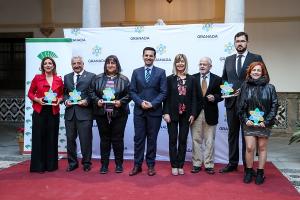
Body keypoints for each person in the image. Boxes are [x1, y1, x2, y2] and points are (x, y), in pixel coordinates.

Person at [220, 32, 264, 173]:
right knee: (232, 134)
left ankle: (248, 166)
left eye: (242, 41)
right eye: (237, 41)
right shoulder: (228, 59)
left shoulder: (256, 58)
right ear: (234, 43)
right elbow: (224, 79)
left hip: (250, 105)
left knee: (249, 136)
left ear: (247, 42)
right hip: (232, 104)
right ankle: (232, 163)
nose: (240, 43)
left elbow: (262, 79)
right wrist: (228, 92)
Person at [237, 62, 278, 185]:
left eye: (258, 70)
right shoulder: (245, 86)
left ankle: (260, 172)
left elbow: (274, 106)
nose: (256, 72)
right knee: (249, 148)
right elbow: (240, 105)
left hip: (264, 124)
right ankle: (249, 171)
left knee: (262, 148)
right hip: (248, 123)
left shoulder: (270, 88)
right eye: (253, 70)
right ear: (250, 72)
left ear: (263, 72)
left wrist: (266, 121)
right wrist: (245, 119)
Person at [129, 47, 167, 176]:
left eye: (151, 56)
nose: (148, 57)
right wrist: (140, 102)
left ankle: (151, 165)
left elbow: (163, 92)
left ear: (155, 57)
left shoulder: (161, 72)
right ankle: (137, 165)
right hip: (139, 112)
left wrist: (152, 104)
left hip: (154, 112)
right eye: (146, 55)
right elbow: (132, 91)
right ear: (143, 56)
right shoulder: (136, 72)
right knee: (138, 139)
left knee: (152, 140)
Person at [90, 55, 131, 174]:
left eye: (113, 63)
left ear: (117, 65)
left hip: (119, 113)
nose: (111, 65)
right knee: (104, 139)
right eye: (108, 63)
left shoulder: (124, 79)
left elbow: (130, 94)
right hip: (101, 113)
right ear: (105, 65)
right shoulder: (97, 78)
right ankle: (104, 165)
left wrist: (121, 102)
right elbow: (91, 91)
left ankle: (119, 164)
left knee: (118, 139)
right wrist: (97, 100)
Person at [28, 56, 63, 173]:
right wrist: (37, 100)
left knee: (52, 138)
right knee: (39, 138)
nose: (48, 65)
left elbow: (62, 95)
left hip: (53, 112)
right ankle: (39, 166)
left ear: (53, 66)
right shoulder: (37, 78)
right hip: (40, 112)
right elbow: (30, 93)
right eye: (45, 63)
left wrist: (59, 100)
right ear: (42, 66)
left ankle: (51, 166)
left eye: (50, 63)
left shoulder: (58, 79)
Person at [163, 54, 196, 176]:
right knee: (173, 140)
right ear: (175, 64)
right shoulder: (169, 79)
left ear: (185, 63)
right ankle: (174, 165)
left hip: (186, 115)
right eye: (178, 62)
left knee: (182, 140)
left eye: (182, 62)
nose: (180, 64)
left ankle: (180, 165)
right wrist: (165, 112)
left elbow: (194, 98)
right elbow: (165, 98)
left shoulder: (192, 79)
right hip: (171, 114)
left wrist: (193, 113)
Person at [191, 57, 223, 175]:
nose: (202, 66)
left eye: (205, 64)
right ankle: (197, 164)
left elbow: (221, 95)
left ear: (210, 66)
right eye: (200, 64)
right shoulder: (192, 78)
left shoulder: (217, 79)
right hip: (195, 114)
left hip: (211, 114)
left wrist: (215, 97)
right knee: (196, 139)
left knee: (210, 140)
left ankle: (209, 164)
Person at [64, 56, 95, 172]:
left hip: (85, 113)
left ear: (83, 64)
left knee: (85, 140)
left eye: (78, 63)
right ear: (71, 65)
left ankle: (86, 163)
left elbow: (93, 93)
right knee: (70, 139)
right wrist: (66, 100)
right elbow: (65, 93)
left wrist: (87, 101)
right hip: (70, 114)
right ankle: (72, 163)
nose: (76, 65)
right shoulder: (67, 77)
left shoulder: (91, 76)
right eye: (74, 63)